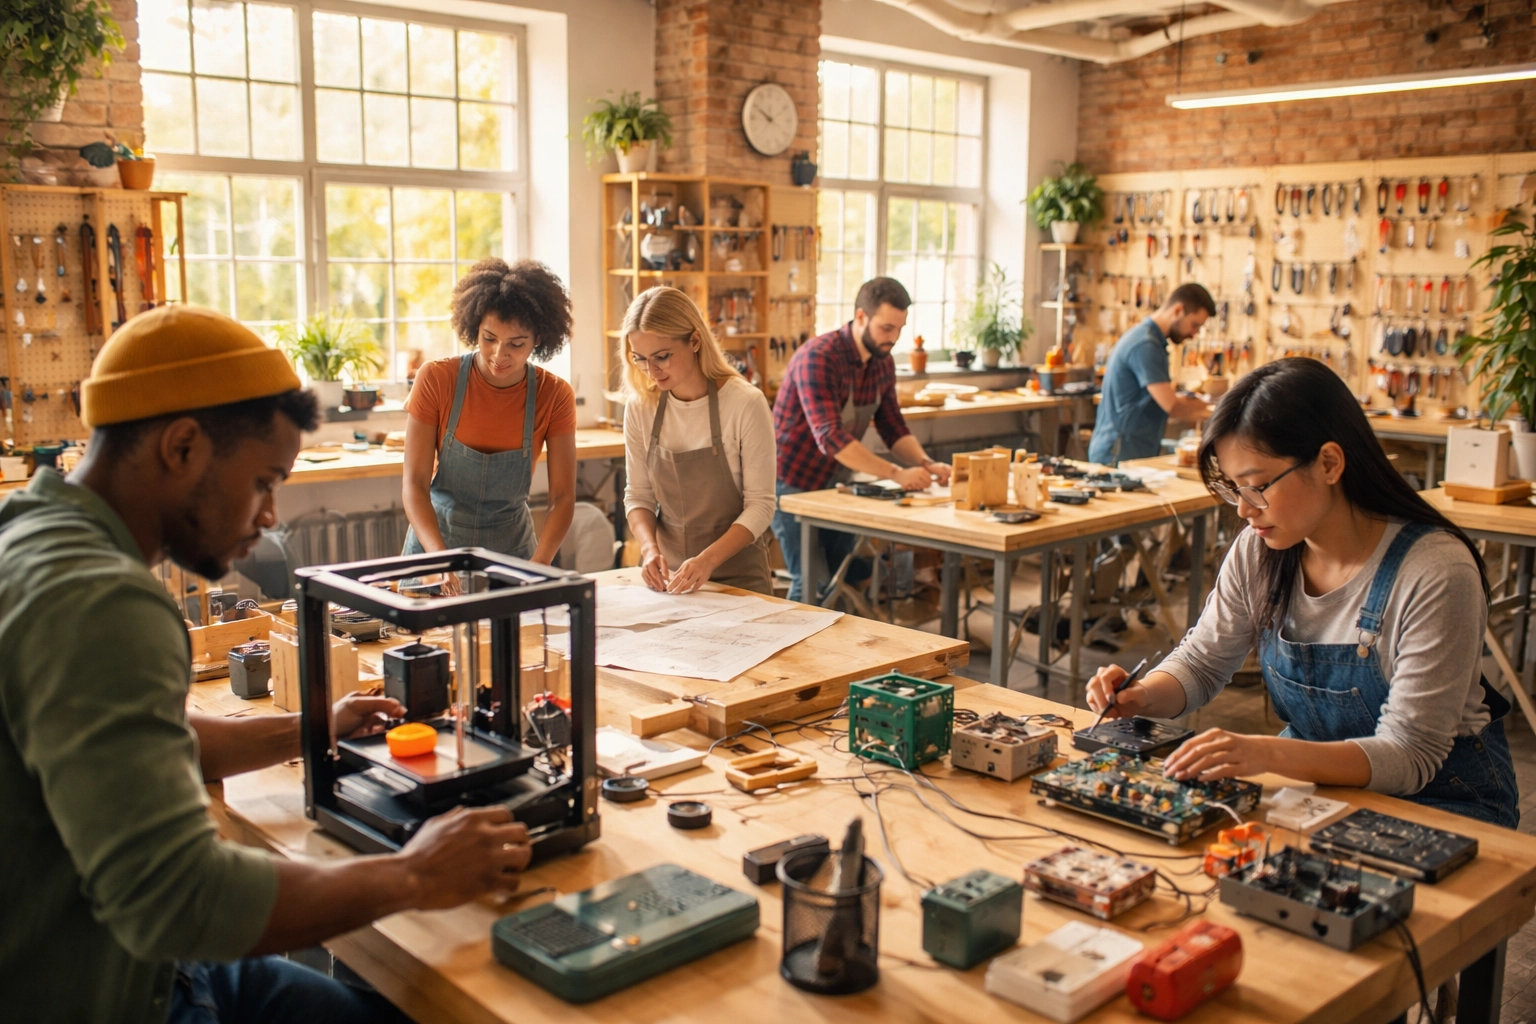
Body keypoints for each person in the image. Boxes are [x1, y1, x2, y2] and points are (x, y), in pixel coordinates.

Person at [0, 306, 534, 1021]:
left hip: (168, 970)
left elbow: (162, 738)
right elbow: (183, 900)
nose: (271, 515)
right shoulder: (102, 602)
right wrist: (414, 874)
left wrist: (312, 726)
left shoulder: (33, 533)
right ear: (182, 447)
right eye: (263, 481)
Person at [1086, 358, 1518, 827]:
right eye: (1235, 491)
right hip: (1315, 783)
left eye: (1256, 487)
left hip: (1442, 799)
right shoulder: (1262, 550)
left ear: (1329, 463)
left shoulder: (1434, 571)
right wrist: (1142, 697)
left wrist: (1266, 752)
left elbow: (1410, 754)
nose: (1245, 512)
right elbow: (1202, 662)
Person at [771, 277, 952, 603]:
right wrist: (897, 474)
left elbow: (893, 426)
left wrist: (926, 463)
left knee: (849, 576)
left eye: (899, 329)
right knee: (813, 583)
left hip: (834, 482)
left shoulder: (882, 362)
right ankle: (797, 652)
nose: (893, 338)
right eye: (886, 328)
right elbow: (830, 436)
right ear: (861, 317)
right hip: (789, 482)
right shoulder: (819, 357)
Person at [404, 258, 577, 571]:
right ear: (474, 328)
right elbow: (414, 486)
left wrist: (539, 564)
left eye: (516, 343)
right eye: (489, 338)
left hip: (513, 557)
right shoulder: (436, 379)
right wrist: (438, 558)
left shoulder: (554, 395)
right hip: (434, 551)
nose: (500, 354)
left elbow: (563, 498)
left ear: (538, 339)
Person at [622, 287, 777, 595]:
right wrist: (650, 549)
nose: (651, 372)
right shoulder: (641, 407)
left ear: (694, 341)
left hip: (740, 581)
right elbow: (638, 496)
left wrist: (707, 561)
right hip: (671, 583)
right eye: (640, 359)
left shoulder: (745, 403)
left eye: (662, 357)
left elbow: (761, 506)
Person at [1087, 282, 1216, 465]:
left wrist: (1202, 407)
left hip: (1132, 451)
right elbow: (1172, 407)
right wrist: (1216, 411)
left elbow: (1162, 404)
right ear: (1178, 310)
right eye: (1194, 325)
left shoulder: (1151, 341)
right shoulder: (1145, 345)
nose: (1194, 334)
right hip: (1118, 454)